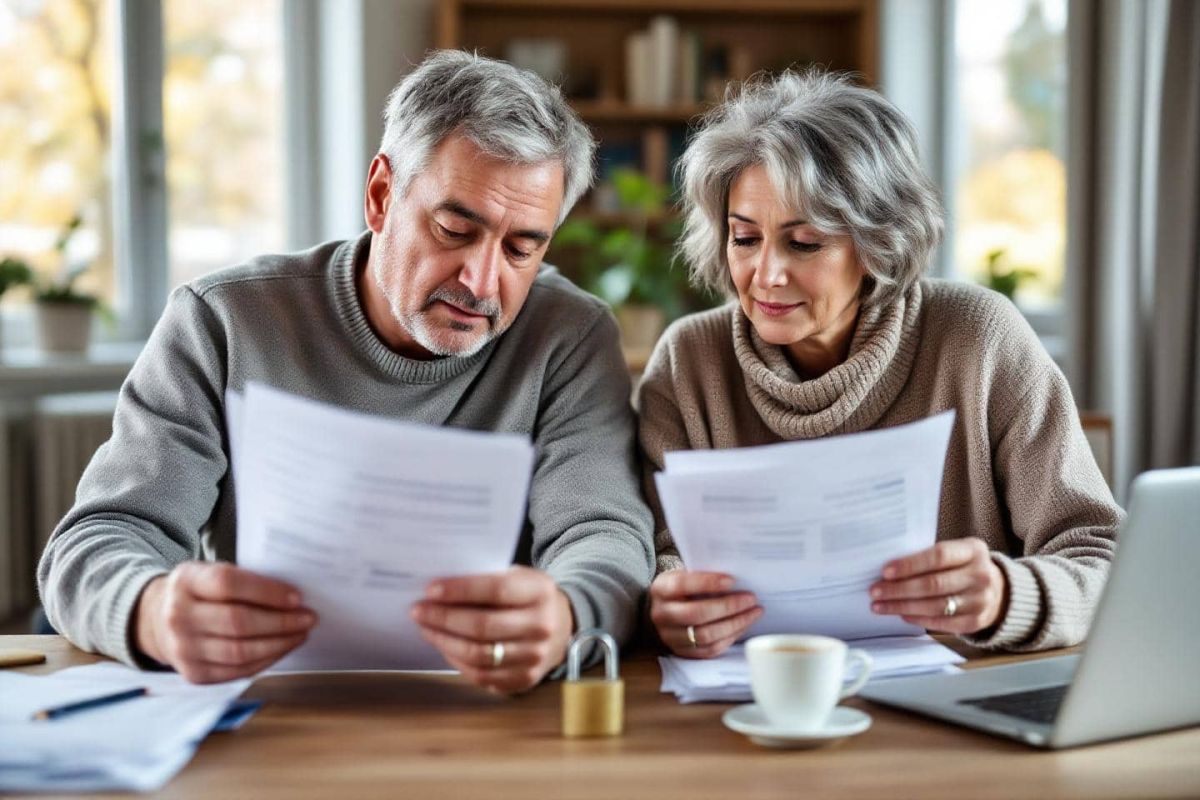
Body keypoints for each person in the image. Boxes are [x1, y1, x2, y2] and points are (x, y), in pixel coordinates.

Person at [38, 51, 654, 692]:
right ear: (382, 196)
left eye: (522, 248)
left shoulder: (569, 336)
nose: (481, 281)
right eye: (452, 229)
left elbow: (603, 535)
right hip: (270, 713)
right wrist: (151, 613)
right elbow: (101, 537)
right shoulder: (222, 322)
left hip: (485, 715)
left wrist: (568, 612)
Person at [639, 69, 1122, 659]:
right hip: (749, 700)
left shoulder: (978, 339)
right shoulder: (689, 363)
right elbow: (658, 555)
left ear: (876, 243)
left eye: (804, 243)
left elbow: (1101, 553)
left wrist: (1005, 595)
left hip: (955, 704)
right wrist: (668, 598)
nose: (765, 274)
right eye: (745, 239)